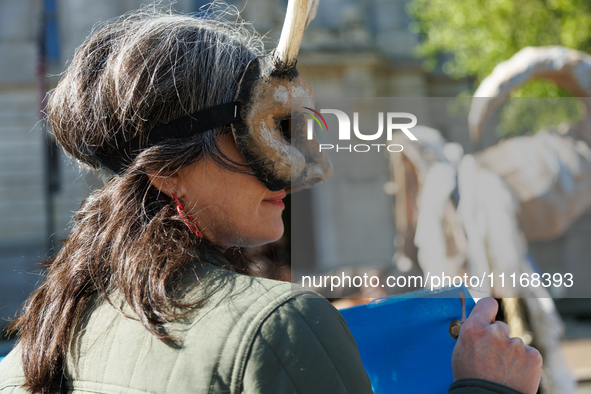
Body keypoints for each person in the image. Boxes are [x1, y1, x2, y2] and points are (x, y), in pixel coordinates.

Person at [0, 5, 542, 394]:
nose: (296, 175)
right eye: (261, 136)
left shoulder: (42, 342)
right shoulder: (279, 329)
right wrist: (488, 387)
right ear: (168, 169)